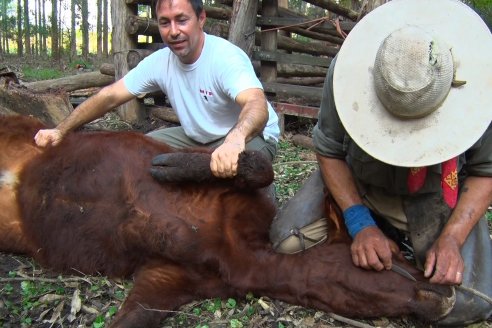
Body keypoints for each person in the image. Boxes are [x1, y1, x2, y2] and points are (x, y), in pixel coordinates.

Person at [271, 0, 491, 325]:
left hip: (434, 195)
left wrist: (452, 239)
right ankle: (366, 231)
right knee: (284, 241)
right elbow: (329, 149)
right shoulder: (345, 70)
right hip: (361, 182)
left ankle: (412, 242)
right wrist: (360, 223)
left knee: (469, 302)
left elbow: (486, 172)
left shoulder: (484, 83)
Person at [34, 0, 280, 178]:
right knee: (136, 152)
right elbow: (109, 97)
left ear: (201, 19)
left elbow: (257, 104)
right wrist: (60, 130)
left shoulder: (225, 58)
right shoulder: (160, 62)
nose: (174, 31)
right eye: (165, 23)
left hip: (253, 136)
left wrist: (235, 140)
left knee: (225, 174)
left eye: (182, 20)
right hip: (199, 137)